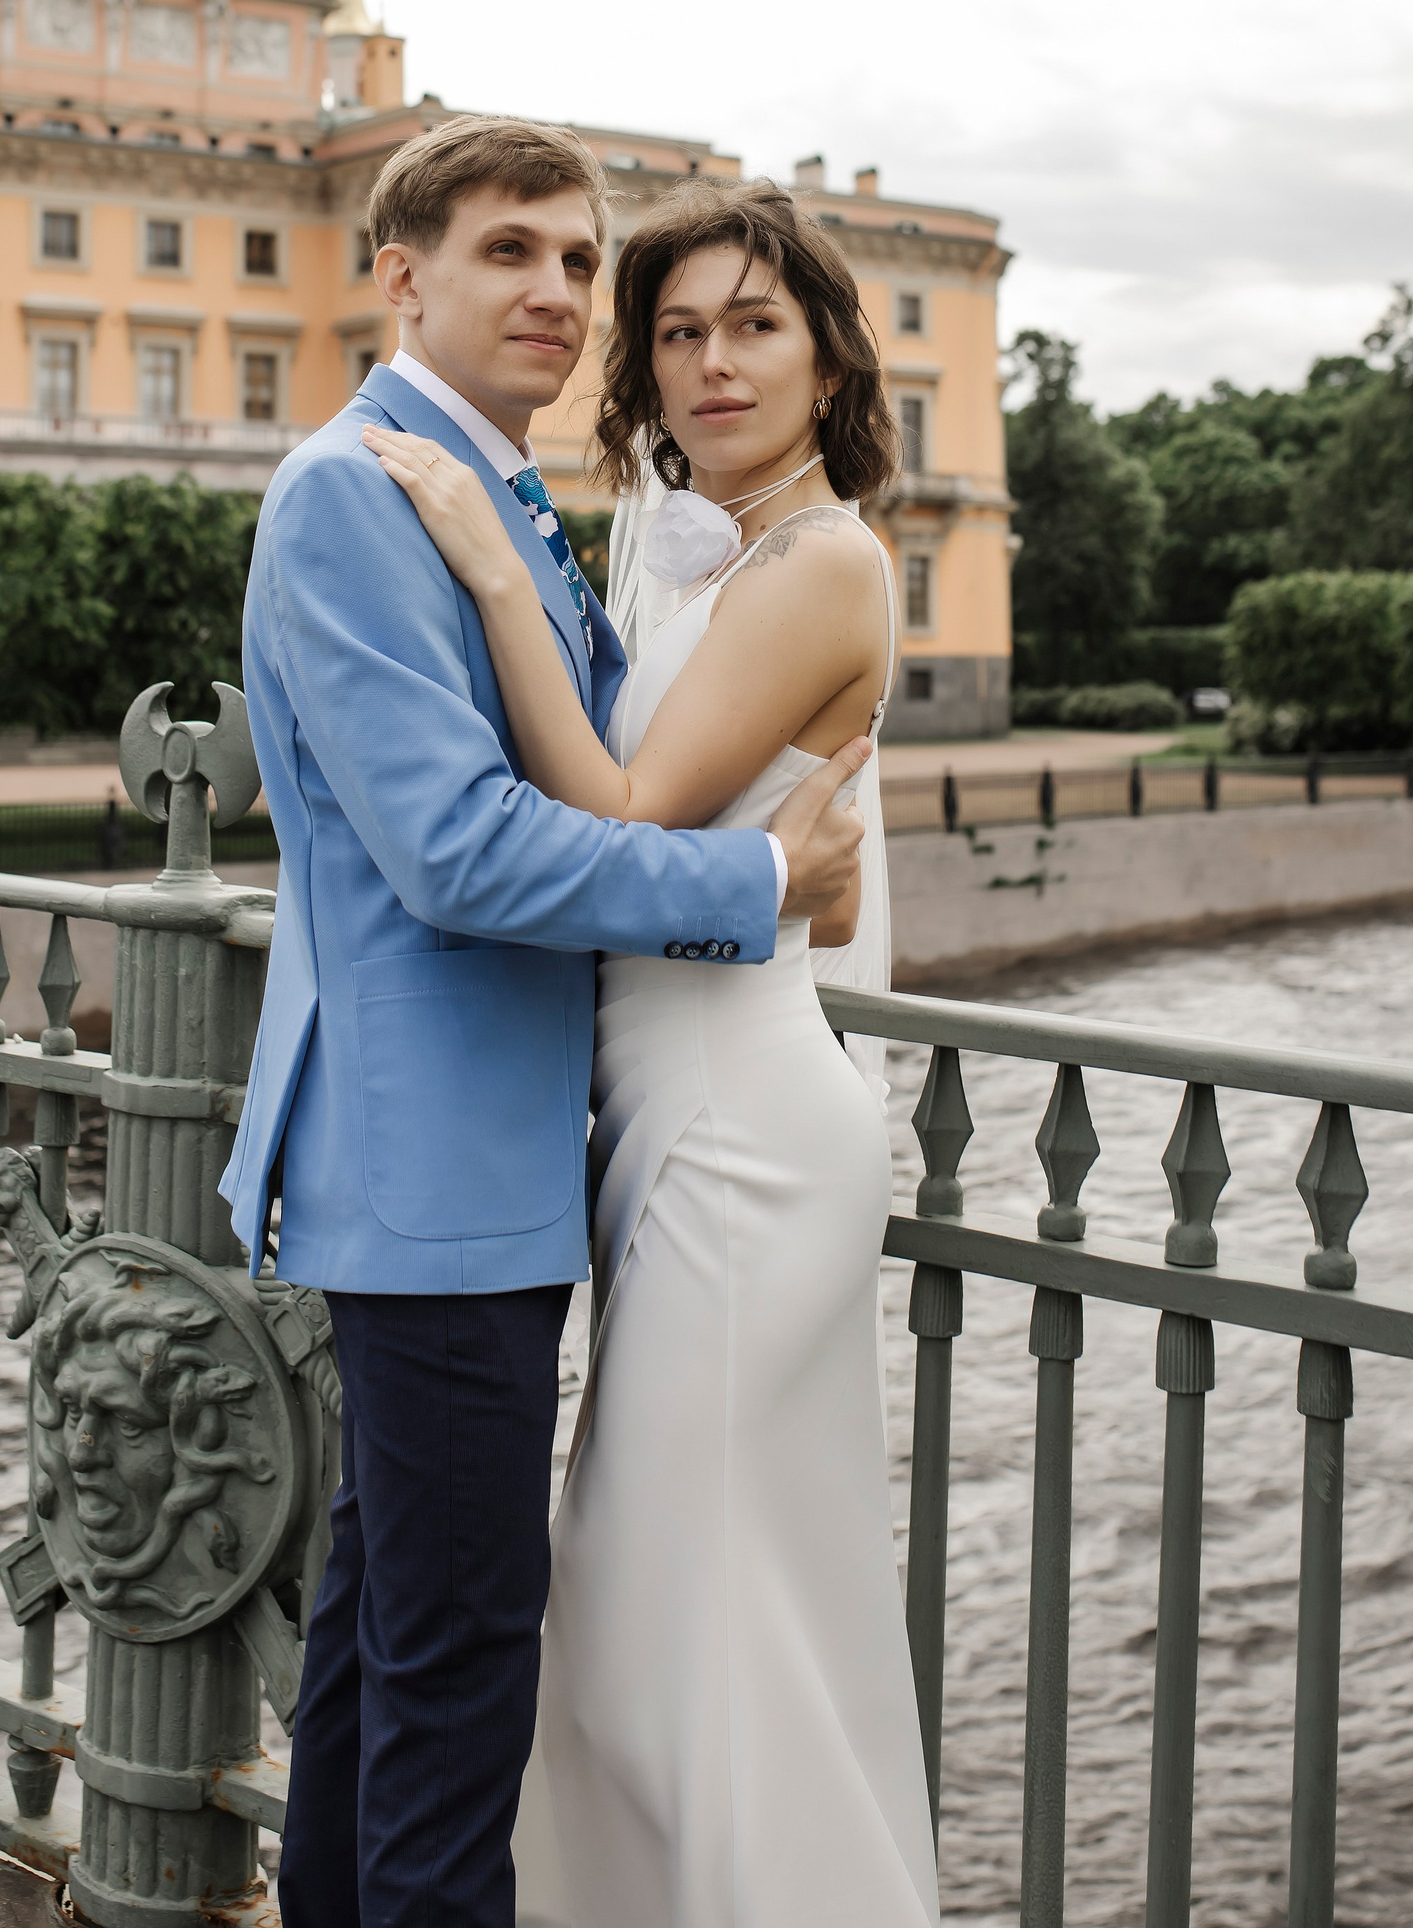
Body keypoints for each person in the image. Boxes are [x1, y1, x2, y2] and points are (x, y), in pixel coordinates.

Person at [218, 115, 872, 1928]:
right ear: (402, 273)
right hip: (438, 1167)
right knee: (457, 1685)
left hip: (493, 1159)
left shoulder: (486, 490)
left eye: (583, 260)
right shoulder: (360, 492)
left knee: (387, 1648)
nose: (561, 293)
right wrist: (764, 881)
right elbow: (458, 849)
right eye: (510, 250)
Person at [366, 176, 938, 1928]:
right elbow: (778, 861)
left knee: (671, 1612)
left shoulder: (824, 560)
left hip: (739, 1128)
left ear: (830, 359)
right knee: (680, 1609)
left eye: (755, 325)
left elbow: (621, 810)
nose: (712, 363)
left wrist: (491, 565)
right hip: (673, 1114)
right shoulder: (708, 549)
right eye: (678, 330)